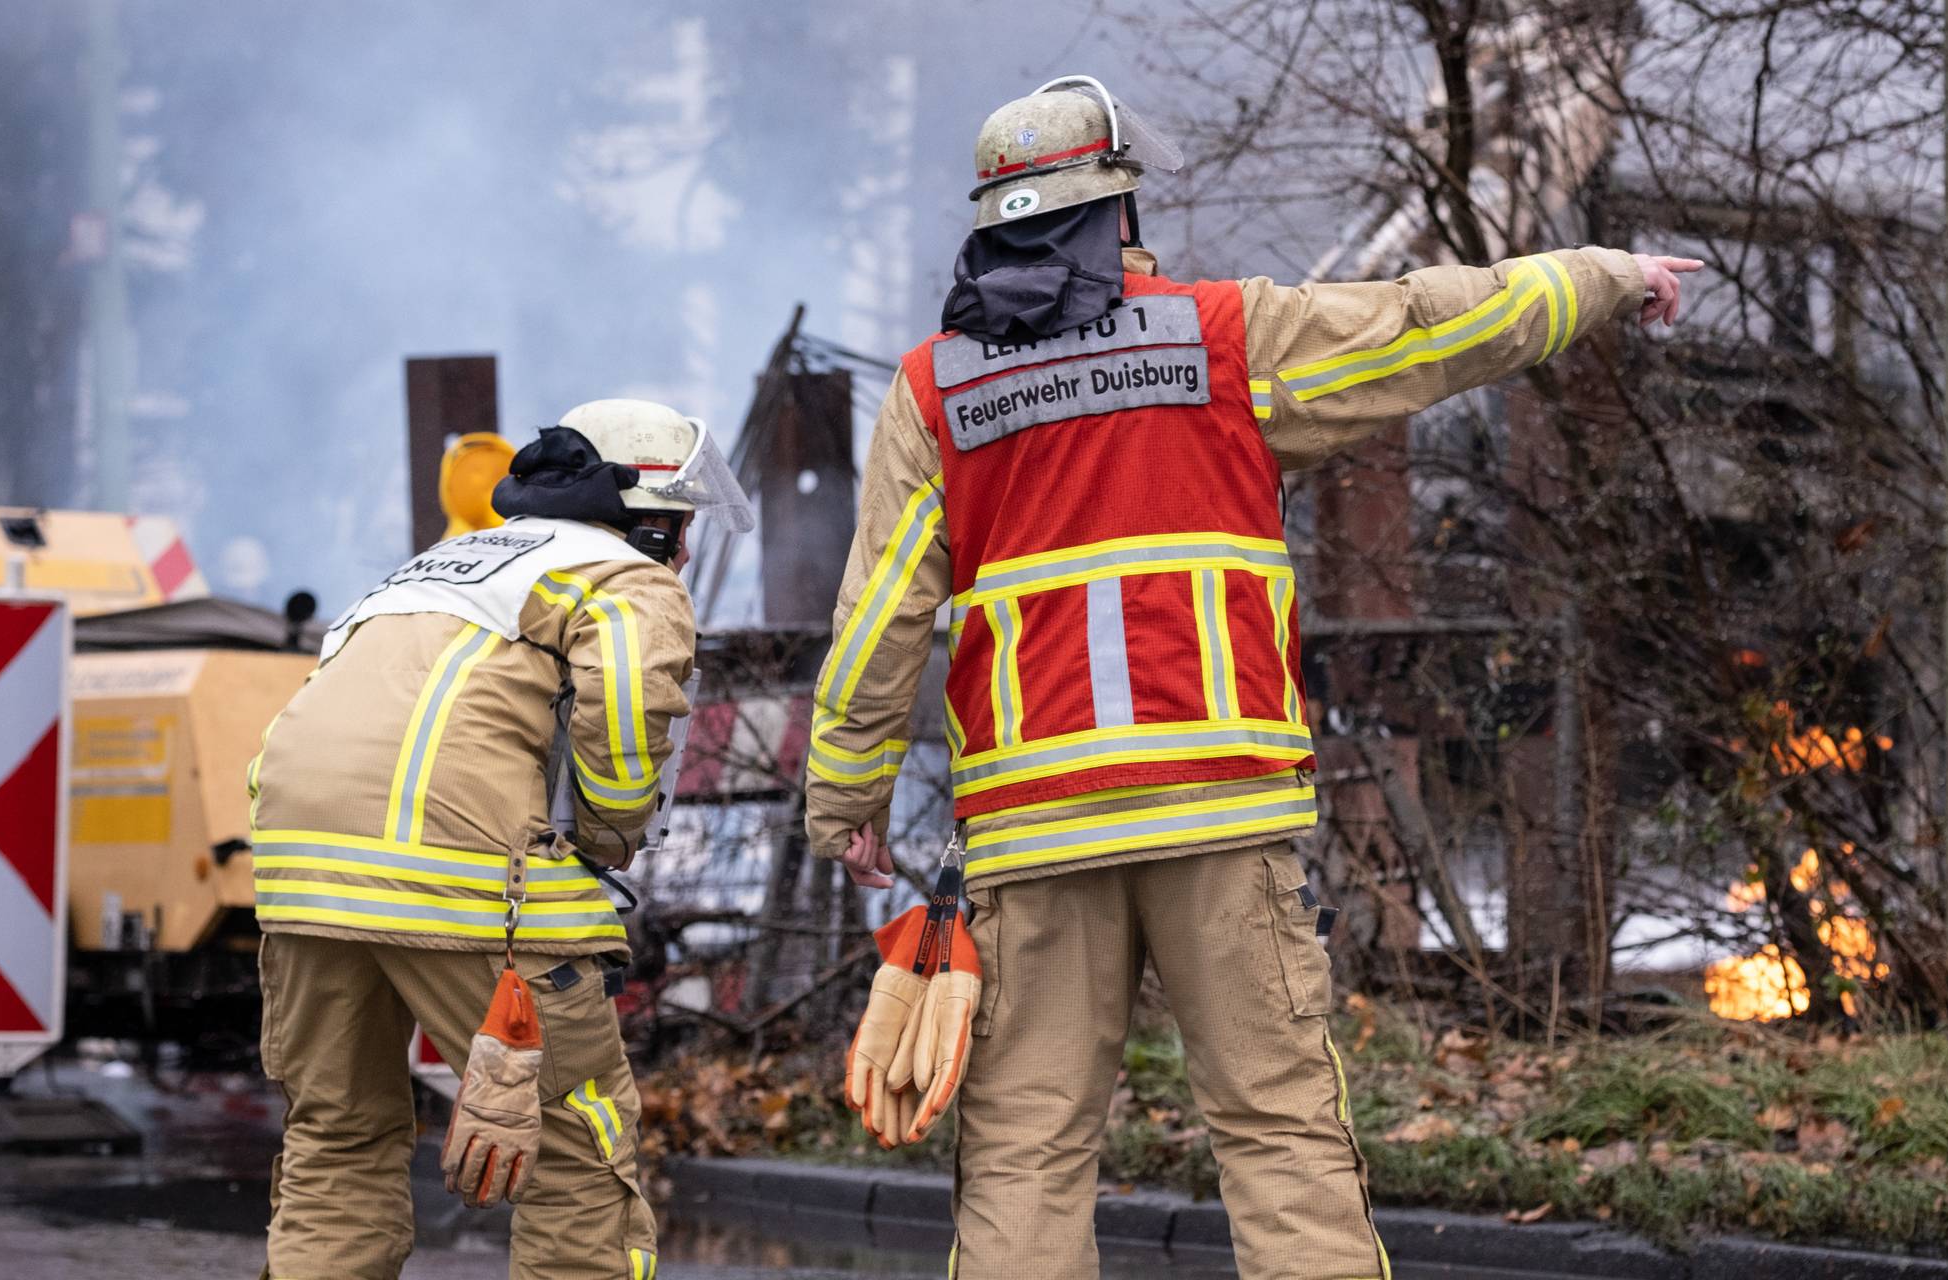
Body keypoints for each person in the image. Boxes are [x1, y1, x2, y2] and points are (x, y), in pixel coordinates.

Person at [800, 75, 1700, 1280]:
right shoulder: (1224, 337)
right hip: (1221, 815)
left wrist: (847, 799)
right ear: (1116, 213)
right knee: (1278, 1133)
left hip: (1033, 833)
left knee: (1026, 1154)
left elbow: (874, 628)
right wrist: (1608, 274)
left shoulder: (933, 394)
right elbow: (1436, 322)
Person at [249, 398, 747, 1280]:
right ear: (655, 524)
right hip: (470, 880)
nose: (687, 548)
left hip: (305, 881)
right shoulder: (623, 575)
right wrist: (609, 834)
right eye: (683, 526)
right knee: (577, 1154)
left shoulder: (433, 567)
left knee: (336, 1141)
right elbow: (629, 718)